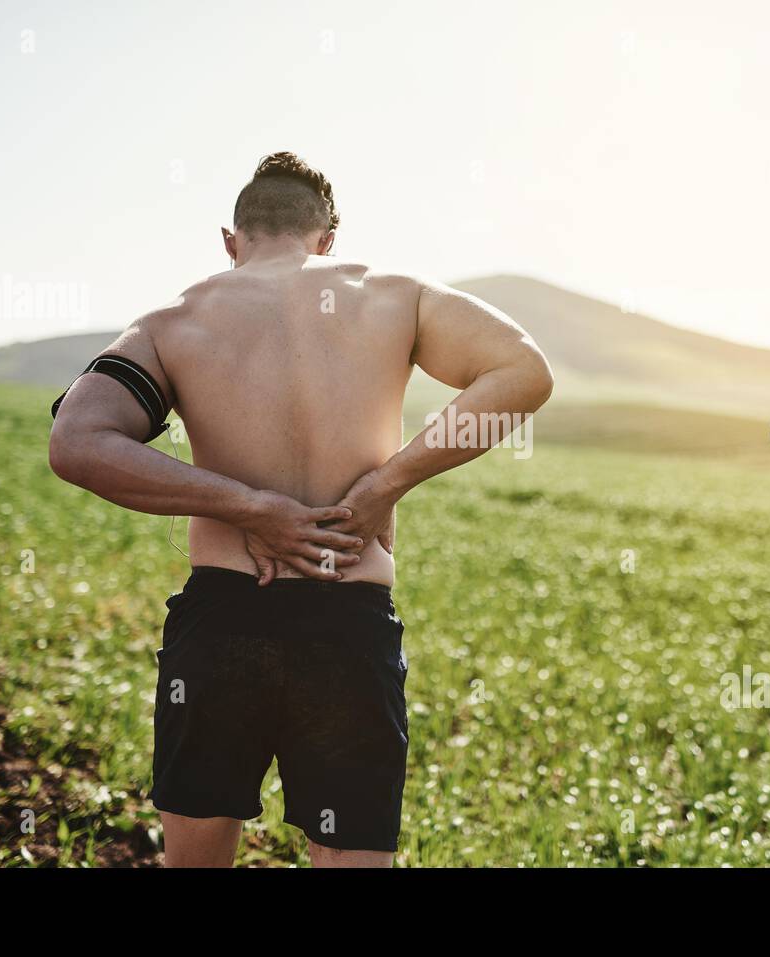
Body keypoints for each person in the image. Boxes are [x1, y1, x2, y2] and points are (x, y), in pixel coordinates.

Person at [48, 152, 554, 867]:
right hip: (347, 621)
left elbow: (76, 442)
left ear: (231, 239)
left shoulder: (171, 321)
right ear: (328, 237)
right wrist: (386, 483)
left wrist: (249, 506)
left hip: (222, 622)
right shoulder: (395, 296)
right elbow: (524, 370)